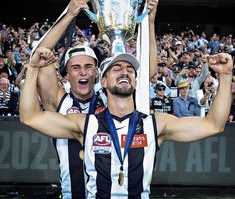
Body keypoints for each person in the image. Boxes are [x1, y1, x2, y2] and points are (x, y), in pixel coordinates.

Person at [20, 47, 233, 198]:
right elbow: (30, 117)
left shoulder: (155, 124)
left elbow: (213, 124)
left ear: (135, 80)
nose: (125, 71)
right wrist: (32, 70)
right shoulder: (85, 124)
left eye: (130, 69)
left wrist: (225, 76)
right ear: (103, 81)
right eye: (117, 68)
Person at [34, 0, 159, 199]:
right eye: (76, 68)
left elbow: (148, 73)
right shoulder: (57, 100)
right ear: (66, 74)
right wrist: (69, 15)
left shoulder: (111, 99)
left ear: (98, 75)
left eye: (89, 67)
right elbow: (41, 53)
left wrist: (149, 22)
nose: (83, 73)